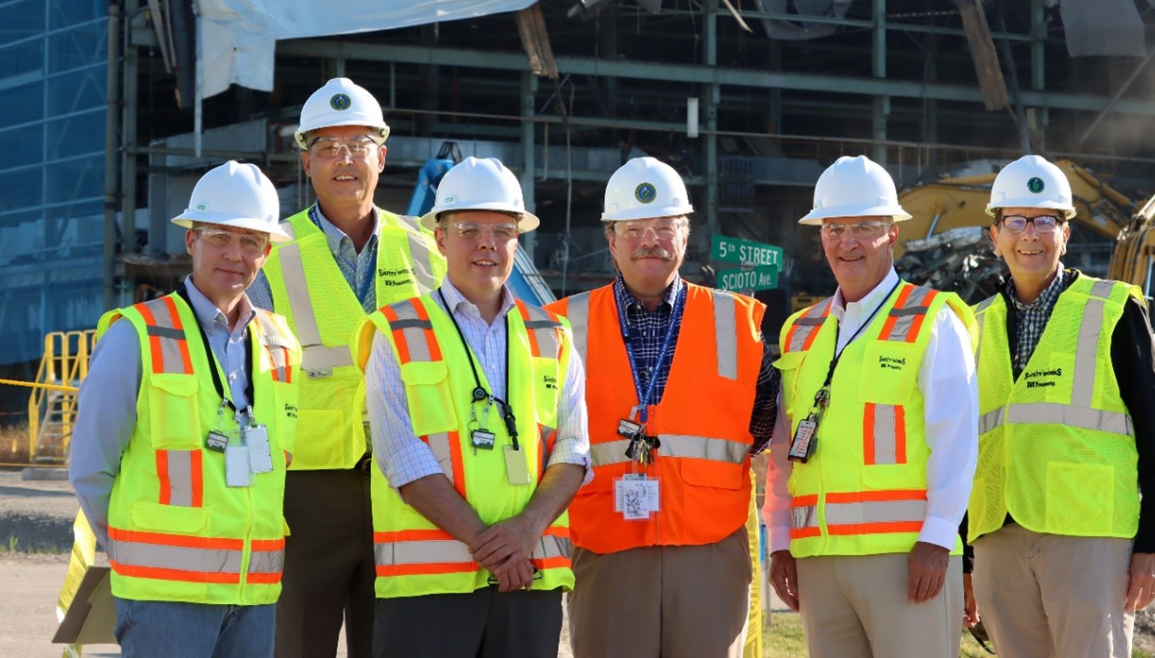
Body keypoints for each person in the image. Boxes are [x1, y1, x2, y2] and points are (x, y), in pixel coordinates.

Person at [352, 157, 588, 658]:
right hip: (429, 588)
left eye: (503, 231)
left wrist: (526, 533)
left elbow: (573, 449)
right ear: (439, 239)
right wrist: (492, 546)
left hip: (529, 579)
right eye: (469, 229)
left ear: (518, 242)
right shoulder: (395, 333)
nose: (487, 243)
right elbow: (400, 457)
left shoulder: (553, 334)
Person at [546, 156, 778, 658]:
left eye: (663, 227)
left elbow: (761, 425)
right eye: (633, 229)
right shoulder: (560, 328)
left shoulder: (739, 323)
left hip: (709, 548)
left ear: (685, 235)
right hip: (604, 544)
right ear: (611, 240)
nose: (649, 240)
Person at [248, 77, 446, 658]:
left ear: (381, 157)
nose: (344, 160)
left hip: (410, 484)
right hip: (307, 490)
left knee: (393, 647)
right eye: (328, 148)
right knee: (297, 645)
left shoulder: (429, 249)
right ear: (305, 162)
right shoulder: (270, 250)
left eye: (357, 144)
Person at [70, 161, 301, 658]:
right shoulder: (137, 334)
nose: (235, 255)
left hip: (254, 593)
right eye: (220, 236)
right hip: (165, 596)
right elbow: (91, 465)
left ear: (267, 253)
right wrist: (134, 551)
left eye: (252, 241)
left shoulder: (281, 345)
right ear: (191, 241)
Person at [966, 154, 1155, 658]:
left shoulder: (1112, 311)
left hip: (1090, 538)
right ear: (995, 236)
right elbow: (959, 446)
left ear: (1066, 233)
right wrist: (964, 557)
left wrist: (1154, 543)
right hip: (998, 535)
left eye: (1045, 221)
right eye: (1015, 221)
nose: (1030, 236)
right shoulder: (971, 325)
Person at [766, 155, 979, 658]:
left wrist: (940, 536)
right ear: (820, 235)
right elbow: (783, 449)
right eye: (835, 227)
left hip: (907, 559)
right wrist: (780, 538)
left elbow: (957, 436)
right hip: (818, 558)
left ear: (891, 232)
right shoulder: (801, 330)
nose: (848, 242)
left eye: (865, 227)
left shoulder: (932, 320)